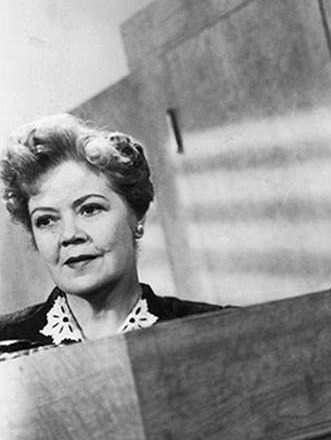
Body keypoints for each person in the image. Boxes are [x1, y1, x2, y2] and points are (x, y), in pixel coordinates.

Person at [0, 114, 223, 352]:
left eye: (90, 209)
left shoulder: (220, 330)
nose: (69, 235)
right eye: (46, 221)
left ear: (137, 216)